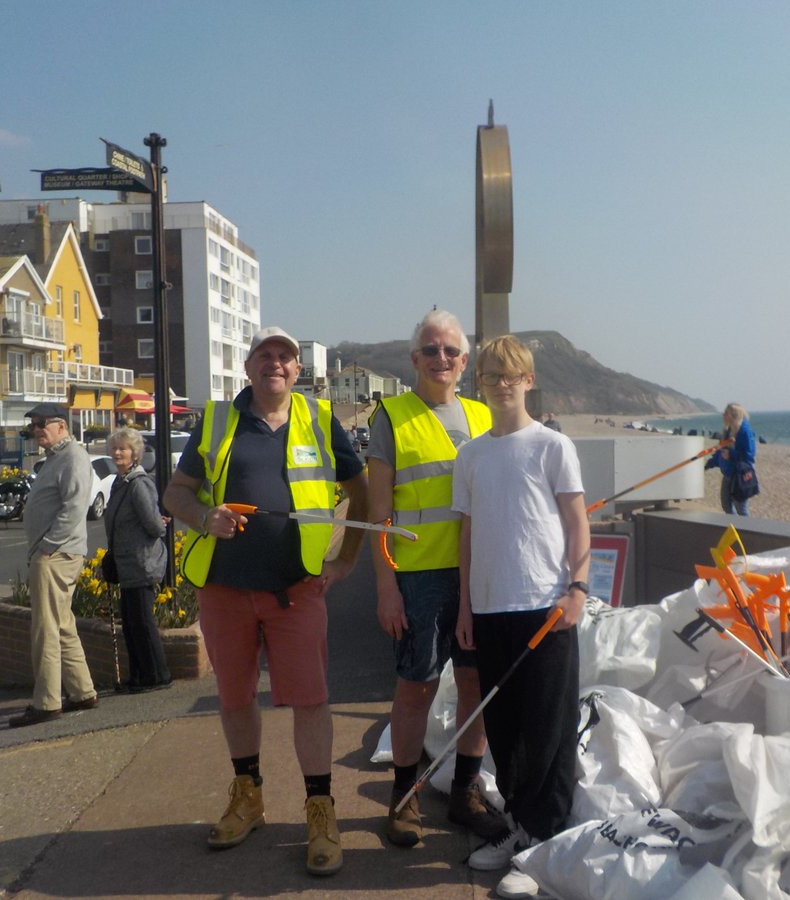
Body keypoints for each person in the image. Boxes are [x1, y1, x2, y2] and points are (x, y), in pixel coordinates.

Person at [162, 326, 367, 877]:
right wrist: (205, 516)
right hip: (224, 589)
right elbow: (174, 493)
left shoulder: (321, 420)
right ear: (249, 367)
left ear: (298, 371)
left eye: (286, 357)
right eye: (265, 356)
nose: (275, 364)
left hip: (297, 590)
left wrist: (345, 559)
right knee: (233, 697)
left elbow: (362, 491)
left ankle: (320, 809)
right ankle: (248, 795)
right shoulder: (218, 420)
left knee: (310, 700)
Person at [452, 335, 590, 900]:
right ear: (478, 382)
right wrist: (465, 605)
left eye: (511, 375)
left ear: (529, 380)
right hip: (489, 609)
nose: (501, 383)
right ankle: (520, 828)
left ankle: (544, 846)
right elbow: (466, 534)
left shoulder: (552, 445)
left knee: (548, 730)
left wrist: (578, 589)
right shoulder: (472, 454)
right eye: (490, 375)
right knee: (505, 731)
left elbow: (578, 522)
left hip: (545, 608)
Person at [366, 309, 505, 847]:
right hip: (418, 579)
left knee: (474, 686)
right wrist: (385, 586)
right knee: (416, 687)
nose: (440, 358)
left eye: (450, 350)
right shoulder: (392, 416)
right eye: (430, 349)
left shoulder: (481, 415)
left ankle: (465, 794)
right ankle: (403, 797)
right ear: (414, 359)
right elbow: (378, 515)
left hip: (480, 577)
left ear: (465, 361)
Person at [10, 402, 100, 728]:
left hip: (56, 555)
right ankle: (83, 692)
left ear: (61, 425)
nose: (36, 430)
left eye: (40, 424)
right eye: (32, 425)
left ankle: (46, 702)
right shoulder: (56, 458)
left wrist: (46, 549)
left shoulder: (73, 457)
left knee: (45, 629)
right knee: (62, 625)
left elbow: (74, 507)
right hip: (54, 554)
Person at [104, 427, 171, 692]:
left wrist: (161, 523)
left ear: (135, 454)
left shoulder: (139, 484)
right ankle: (139, 676)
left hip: (142, 563)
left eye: (124, 448)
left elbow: (154, 526)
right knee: (131, 625)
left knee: (142, 623)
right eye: (115, 448)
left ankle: (158, 676)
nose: (118, 452)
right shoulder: (120, 482)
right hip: (127, 565)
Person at [708, 402, 756, 516]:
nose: (723, 415)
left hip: (740, 474)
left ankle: (745, 531)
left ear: (734, 415)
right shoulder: (728, 430)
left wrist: (731, 455)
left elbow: (749, 455)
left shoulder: (745, 431)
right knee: (726, 505)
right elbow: (721, 450)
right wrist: (709, 463)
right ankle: (733, 529)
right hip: (728, 473)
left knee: (741, 508)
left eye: (726, 413)